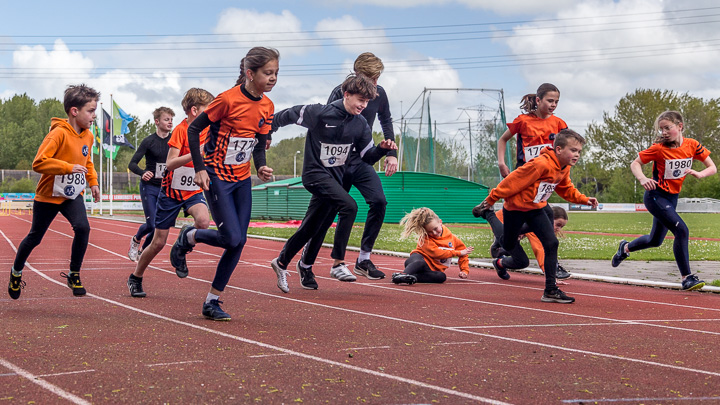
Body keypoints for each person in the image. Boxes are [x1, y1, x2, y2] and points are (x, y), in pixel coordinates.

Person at [169, 47, 278, 321]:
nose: (273, 78)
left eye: (276, 72)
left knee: (238, 242)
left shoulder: (267, 106)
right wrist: (201, 168)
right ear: (249, 73)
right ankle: (188, 236)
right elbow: (194, 130)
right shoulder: (226, 100)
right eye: (268, 73)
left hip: (242, 179)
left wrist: (261, 166)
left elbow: (258, 144)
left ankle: (212, 301)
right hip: (217, 176)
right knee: (231, 237)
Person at [268, 74, 397, 293]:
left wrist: (382, 149)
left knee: (313, 225)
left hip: (335, 178)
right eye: (360, 100)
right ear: (346, 94)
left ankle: (282, 262)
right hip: (315, 174)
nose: (363, 106)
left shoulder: (360, 123)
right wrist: (266, 136)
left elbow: (367, 158)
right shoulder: (318, 112)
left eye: (367, 102)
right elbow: (283, 116)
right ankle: (338, 261)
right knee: (349, 206)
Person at [298, 52, 398, 281]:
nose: (375, 84)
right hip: (337, 162)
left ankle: (363, 259)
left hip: (362, 159)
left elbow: (386, 120)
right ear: (357, 76)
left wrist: (390, 153)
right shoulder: (341, 91)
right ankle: (306, 264)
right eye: (372, 78)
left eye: (377, 78)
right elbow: (325, 122)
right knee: (324, 214)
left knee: (379, 201)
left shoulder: (379, 94)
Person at [476, 129, 598, 303]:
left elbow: (566, 189)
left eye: (579, 151)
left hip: (536, 208)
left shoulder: (564, 168)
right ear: (559, 150)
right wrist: (490, 200)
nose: (577, 154)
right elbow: (511, 181)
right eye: (573, 150)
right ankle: (490, 219)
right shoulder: (541, 164)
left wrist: (584, 200)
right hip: (515, 208)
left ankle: (550, 290)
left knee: (551, 243)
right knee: (508, 242)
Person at [8, 84, 101, 299]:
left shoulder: (87, 136)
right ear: (74, 111)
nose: (94, 115)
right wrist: (67, 167)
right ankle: (16, 272)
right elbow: (38, 163)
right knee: (34, 238)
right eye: (91, 110)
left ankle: (73, 273)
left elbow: (88, 162)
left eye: (95, 110)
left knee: (83, 228)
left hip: (71, 194)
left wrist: (93, 182)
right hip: (49, 195)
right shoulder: (58, 134)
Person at [611, 111, 715, 291]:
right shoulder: (658, 148)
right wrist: (643, 179)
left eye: (668, 128)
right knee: (681, 230)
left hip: (672, 197)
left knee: (655, 240)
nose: (664, 132)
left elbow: (712, 167)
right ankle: (687, 278)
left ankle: (625, 248)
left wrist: (700, 174)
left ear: (680, 126)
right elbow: (635, 163)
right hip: (655, 195)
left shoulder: (692, 145)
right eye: (661, 129)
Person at [126, 88, 214, 298]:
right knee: (158, 242)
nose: (211, 114)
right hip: (171, 191)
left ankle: (183, 245)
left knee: (203, 222)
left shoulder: (209, 129)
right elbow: (171, 163)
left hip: (192, 189)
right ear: (194, 110)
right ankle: (136, 277)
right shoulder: (181, 131)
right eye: (207, 109)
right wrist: (195, 155)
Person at [495, 83, 568, 233]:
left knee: (543, 218)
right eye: (550, 101)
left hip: (544, 177)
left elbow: (567, 148)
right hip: (523, 175)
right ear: (538, 100)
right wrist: (501, 163)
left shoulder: (559, 124)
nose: (553, 105)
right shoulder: (523, 121)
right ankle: (503, 235)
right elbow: (502, 140)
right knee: (539, 217)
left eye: (556, 102)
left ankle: (506, 242)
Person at [127, 107, 174, 261]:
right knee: (152, 224)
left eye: (171, 119)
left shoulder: (174, 140)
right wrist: (142, 172)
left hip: (166, 188)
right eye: (167, 119)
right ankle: (136, 240)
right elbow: (132, 164)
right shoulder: (149, 141)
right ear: (157, 121)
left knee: (160, 227)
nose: (170, 122)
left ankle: (143, 252)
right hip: (150, 187)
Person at [480, 206, 572, 282]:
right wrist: (550, 275)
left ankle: (500, 260)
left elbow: (549, 248)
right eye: (558, 225)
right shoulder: (537, 222)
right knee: (520, 258)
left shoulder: (542, 220)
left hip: (514, 226)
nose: (559, 229)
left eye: (562, 226)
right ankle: (498, 246)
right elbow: (539, 249)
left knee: (521, 261)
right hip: (501, 223)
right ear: (549, 219)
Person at [391, 207, 474, 285]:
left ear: (440, 222)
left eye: (435, 229)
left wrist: (464, 270)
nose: (434, 233)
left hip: (430, 270)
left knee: (442, 277)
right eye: (429, 231)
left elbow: (463, 253)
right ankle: (403, 274)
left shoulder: (452, 238)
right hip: (416, 262)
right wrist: (458, 253)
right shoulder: (424, 238)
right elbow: (436, 253)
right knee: (420, 262)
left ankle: (410, 278)